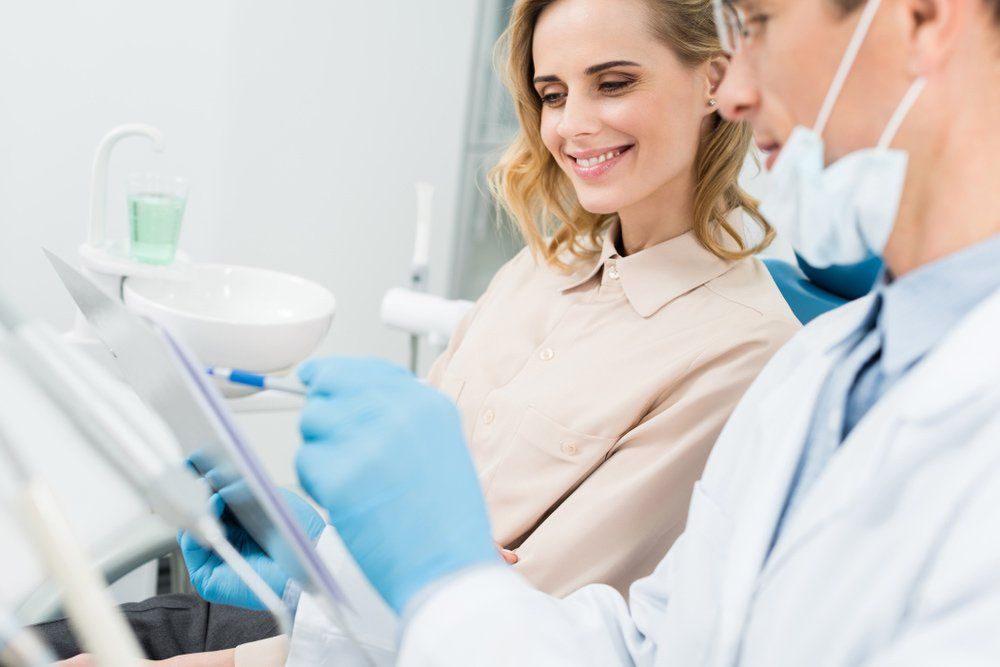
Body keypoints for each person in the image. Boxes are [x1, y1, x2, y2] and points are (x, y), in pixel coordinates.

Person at [222, 0, 997, 662]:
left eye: (758, 23)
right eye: (552, 93)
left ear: (925, 18)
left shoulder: (765, 354)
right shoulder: (820, 374)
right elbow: (645, 644)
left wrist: (433, 573)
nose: (740, 90)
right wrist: (335, 564)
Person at [45, 0, 800, 662]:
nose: (571, 125)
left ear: (714, 77)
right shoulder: (541, 268)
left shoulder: (742, 354)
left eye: (613, 82)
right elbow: (408, 504)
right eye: (552, 93)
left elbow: (514, 626)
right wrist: (310, 543)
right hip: (320, 620)